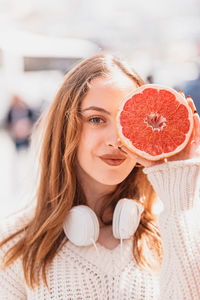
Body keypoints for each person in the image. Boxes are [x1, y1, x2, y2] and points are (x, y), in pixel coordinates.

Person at [0, 54, 200, 299]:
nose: (116, 139)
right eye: (96, 119)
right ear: (65, 129)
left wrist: (178, 201)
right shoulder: (14, 243)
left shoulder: (174, 229)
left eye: (130, 122)